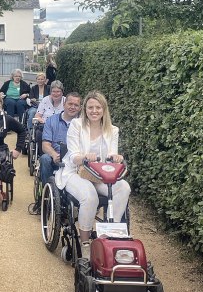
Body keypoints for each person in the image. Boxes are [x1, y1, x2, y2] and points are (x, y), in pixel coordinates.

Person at [55, 91, 131, 260]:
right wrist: (84, 157)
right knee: (90, 197)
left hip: (101, 174)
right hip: (77, 173)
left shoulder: (113, 130)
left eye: (98, 107)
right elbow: (74, 156)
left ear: (104, 109)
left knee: (124, 187)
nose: (94, 111)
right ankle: (85, 243)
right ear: (85, 109)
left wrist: (116, 158)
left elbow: (112, 155)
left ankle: (111, 232)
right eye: (90, 107)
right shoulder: (76, 125)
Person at [40, 92, 81, 188]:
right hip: (56, 158)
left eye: (76, 105)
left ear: (80, 108)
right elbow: (45, 145)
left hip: (74, 160)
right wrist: (54, 155)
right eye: (70, 104)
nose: (73, 107)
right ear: (64, 104)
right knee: (45, 158)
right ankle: (46, 192)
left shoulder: (82, 124)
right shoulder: (51, 120)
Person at [31, 80, 66, 155]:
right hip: (45, 125)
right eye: (53, 91)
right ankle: (42, 155)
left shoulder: (66, 101)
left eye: (58, 91)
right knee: (39, 133)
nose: (55, 94)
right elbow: (37, 115)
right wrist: (43, 121)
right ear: (50, 92)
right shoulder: (45, 100)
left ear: (62, 92)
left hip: (61, 127)